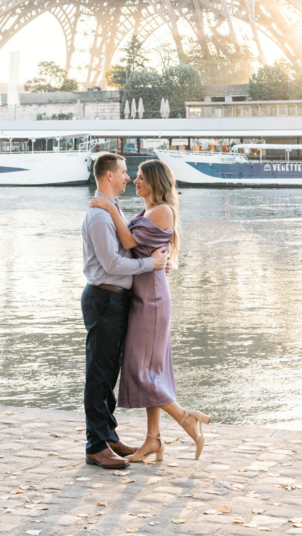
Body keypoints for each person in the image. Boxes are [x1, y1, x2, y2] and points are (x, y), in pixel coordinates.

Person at [89, 157, 210, 463]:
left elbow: (128, 239)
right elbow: (131, 244)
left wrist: (109, 208)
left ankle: (185, 417)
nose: (135, 180)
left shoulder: (162, 211)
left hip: (151, 298)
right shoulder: (148, 210)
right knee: (150, 368)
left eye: (141, 176)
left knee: (140, 370)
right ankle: (153, 439)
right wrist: (112, 210)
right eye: (133, 174)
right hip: (143, 293)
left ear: (155, 181)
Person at [81, 151, 169, 469]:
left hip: (114, 299)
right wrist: (152, 264)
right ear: (108, 176)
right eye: (123, 171)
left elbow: (130, 241)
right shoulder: (99, 215)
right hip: (103, 298)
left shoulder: (111, 210)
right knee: (99, 374)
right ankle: (95, 445)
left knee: (110, 372)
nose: (128, 177)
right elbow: (112, 263)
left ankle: (108, 435)